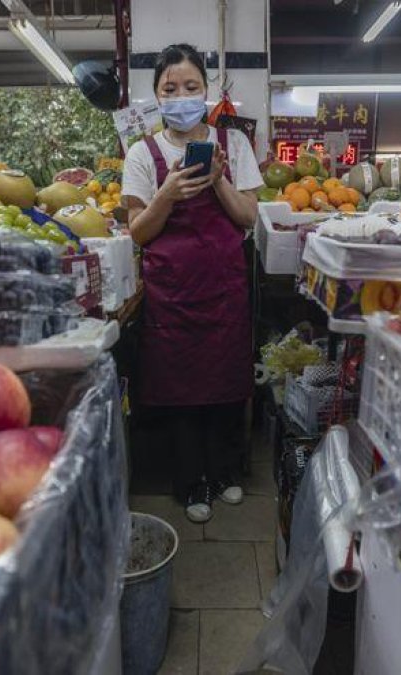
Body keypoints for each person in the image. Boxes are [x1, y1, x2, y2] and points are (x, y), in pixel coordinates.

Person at [121, 44, 263, 523]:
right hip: (172, 293)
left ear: (206, 91)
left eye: (190, 87)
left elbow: (247, 217)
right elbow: (138, 231)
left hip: (223, 286)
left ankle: (224, 474)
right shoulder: (142, 153)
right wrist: (165, 194)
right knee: (180, 388)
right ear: (156, 95)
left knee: (225, 382)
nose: (181, 96)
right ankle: (190, 483)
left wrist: (219, 180)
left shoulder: (233, 145)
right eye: (169, 88)